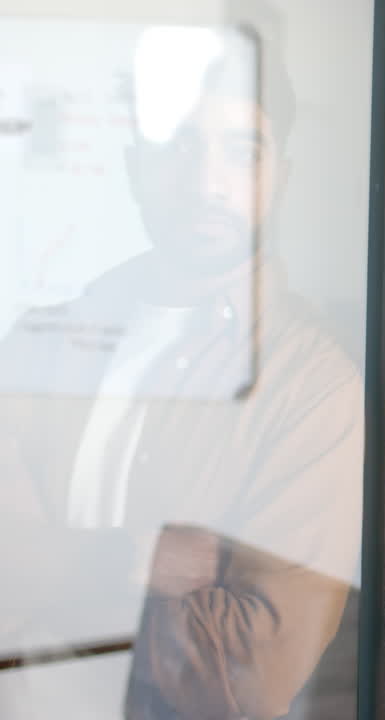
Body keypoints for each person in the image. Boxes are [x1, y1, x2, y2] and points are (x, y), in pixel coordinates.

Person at [0, 32, 361, 719]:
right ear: (136, 166)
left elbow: (246, 677)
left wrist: (49, 576)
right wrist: (132, 567)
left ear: (277, 174)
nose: (205, 182)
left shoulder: (312, 386)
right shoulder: (40, 341)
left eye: (239, 151)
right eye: (178, 146)